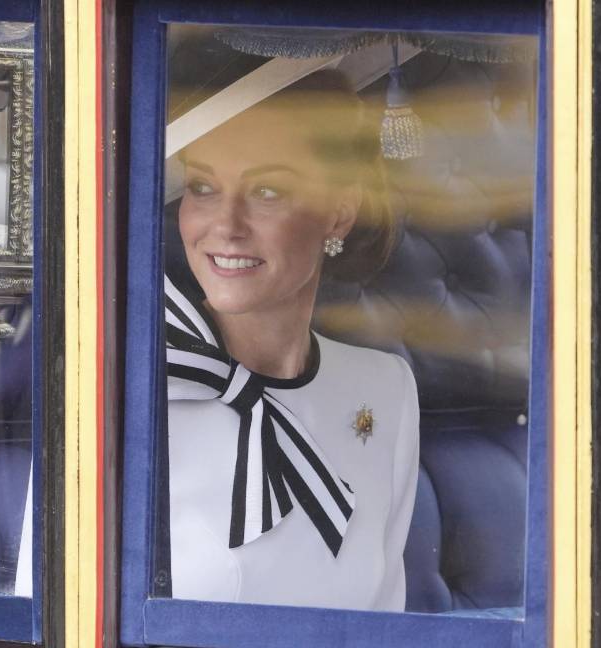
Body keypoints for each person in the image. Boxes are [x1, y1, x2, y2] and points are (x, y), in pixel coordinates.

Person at [164, 71, 419, 611]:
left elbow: (384, 619)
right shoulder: (126, 387)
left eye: (267, 191)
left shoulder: (386, 389)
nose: (225, 226)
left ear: (339, 212)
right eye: (203, 187)